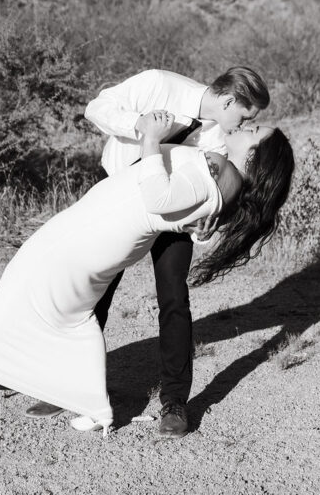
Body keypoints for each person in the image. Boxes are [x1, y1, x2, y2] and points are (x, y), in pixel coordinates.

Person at [0, 112, 294, 437]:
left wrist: (153, 141)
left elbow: (171, 197)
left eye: (254, 126)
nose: (248, 120)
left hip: (125, 220)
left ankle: (171, 403)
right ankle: (79, 396)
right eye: (246, 113)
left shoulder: (221, 163)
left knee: (160, 300)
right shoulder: (207, 127)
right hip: (118, 221)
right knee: (80, 303)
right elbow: (182, 200)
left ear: (256, 155)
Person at [82, 65, 270, 438]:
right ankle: (70, 382)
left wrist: (206, 223)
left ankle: (175, 403)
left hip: (171, 217)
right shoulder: (158, 83)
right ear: (230, 99)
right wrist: (143, 126)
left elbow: (209, 192)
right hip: (117, 196)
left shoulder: (219, 138)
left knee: (174, 297)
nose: (243, 125)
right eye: (245, 116)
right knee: (96, 290)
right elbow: (96, 109)